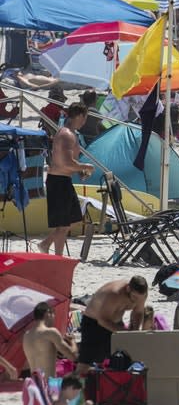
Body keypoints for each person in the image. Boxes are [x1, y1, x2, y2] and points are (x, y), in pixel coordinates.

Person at [38, 102, 92, 256]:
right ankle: (57, 257)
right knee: (63, 225)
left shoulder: (71, 133)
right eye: (85, 117)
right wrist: (85, 167)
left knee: (74, 220)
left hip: (64, 180)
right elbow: (67, 163)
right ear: (80, 115)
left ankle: (46, 243)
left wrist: (81, 172)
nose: (85, 121)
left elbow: (68, 163)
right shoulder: (66, 134)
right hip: (58, 181)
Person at [77, 275, 148, 375]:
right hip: (94, 323)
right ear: (128, 288)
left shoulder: (140, 295)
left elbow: (138, 312)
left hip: (115, 323)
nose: (137, 301)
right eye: (135, 297)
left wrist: (134, 331)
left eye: (140, 298)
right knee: (84, 365)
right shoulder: (114, 293)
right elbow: (102, 320)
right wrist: (123, 332)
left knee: (118, 360)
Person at [23, 301, 77, 379]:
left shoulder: (27, 335)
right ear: (47, 313)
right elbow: (73, 356)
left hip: (35, 385)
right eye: (53, 314)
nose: (54, 318)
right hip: (49, 385)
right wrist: (73, 341)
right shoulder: (50, 332)